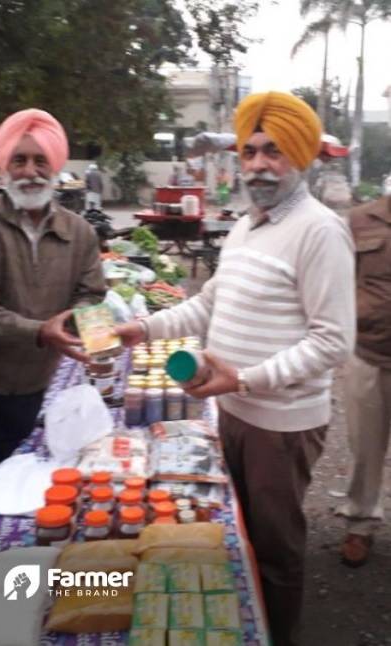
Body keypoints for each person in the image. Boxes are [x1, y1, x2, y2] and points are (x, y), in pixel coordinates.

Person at [116, 91, 355, 646]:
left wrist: (245, 379)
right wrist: (143, 328)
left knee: (276, 550)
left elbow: (332, 342)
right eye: (249, 152)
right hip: (234, 412)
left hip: (282, 424)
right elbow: (208, 304)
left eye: (273, 152)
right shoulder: (248, 228)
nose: (258, 165)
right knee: (238, 532)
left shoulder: (320, 231)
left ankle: (277, 634)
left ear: (297, 155)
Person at [0, 107, 106, 560]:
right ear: (3, 166)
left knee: (14, 488)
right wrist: (43, 330)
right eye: (19, 160)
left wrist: (93, 341)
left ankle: (2, 573)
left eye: (39, 161)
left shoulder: (80, 233)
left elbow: (92, 295)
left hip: (32, 381)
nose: (30, 171)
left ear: (56, 167)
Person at [337, 194, 391, 566]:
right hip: (368, 353)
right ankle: (360, 522)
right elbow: (336, 282)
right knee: (365, 446)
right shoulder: (358, 220)